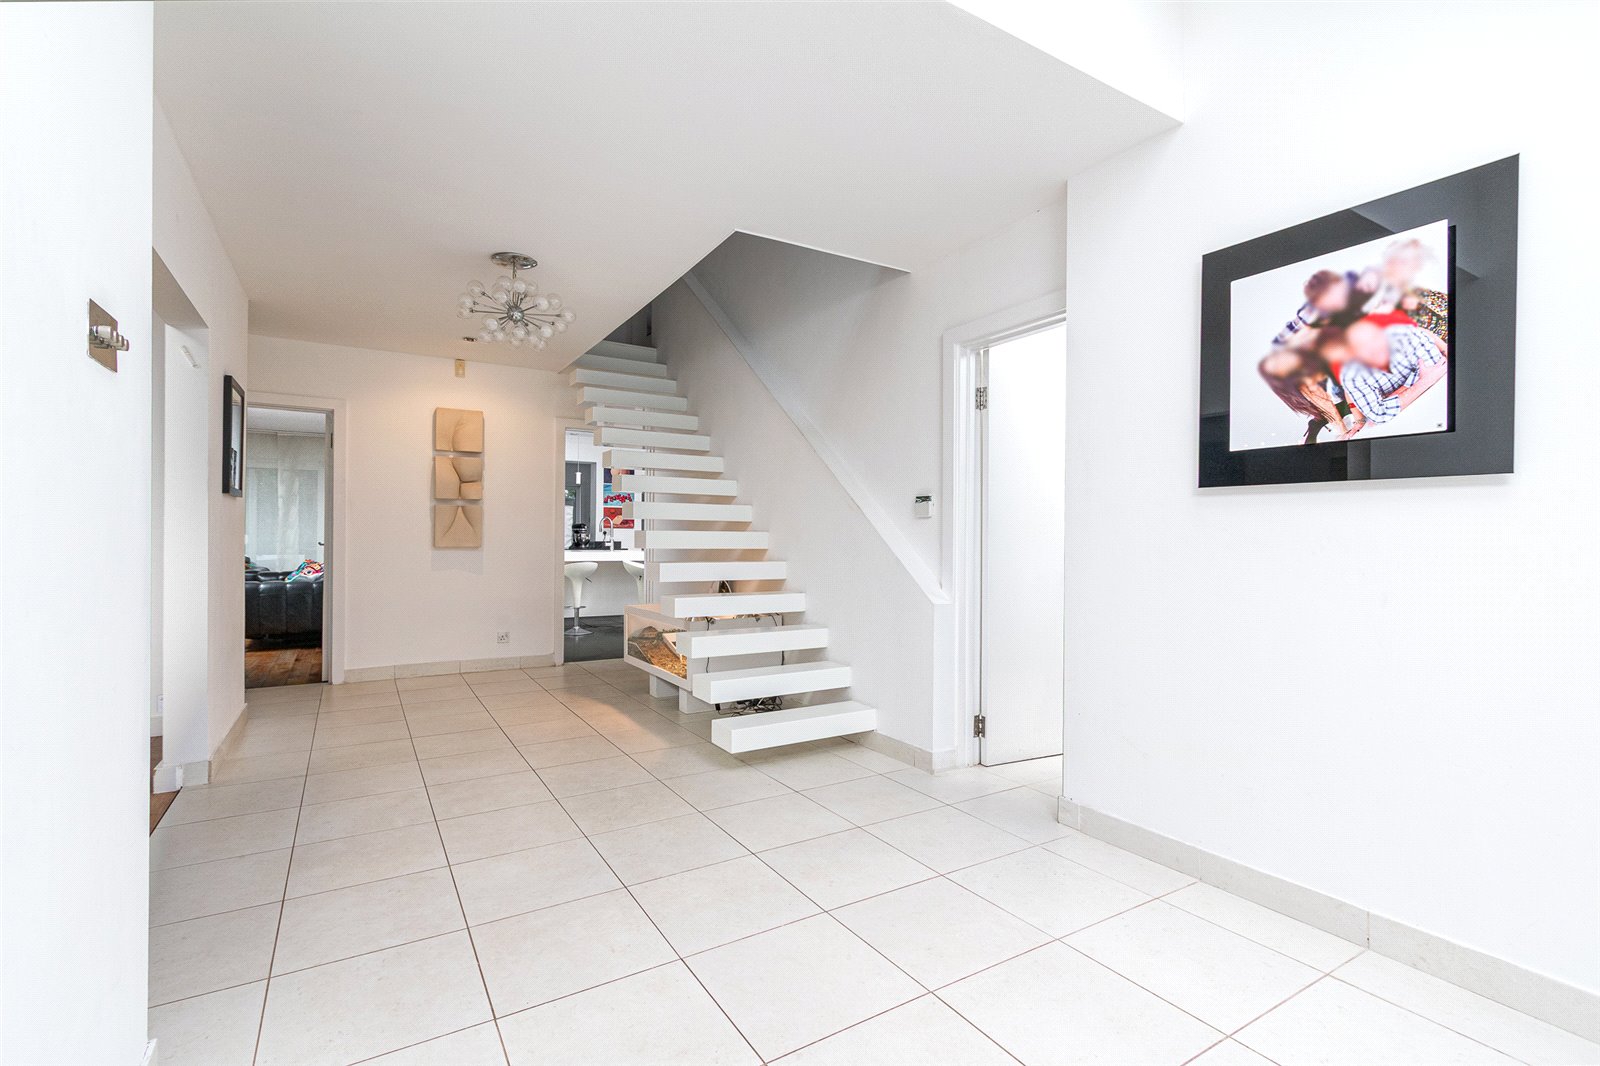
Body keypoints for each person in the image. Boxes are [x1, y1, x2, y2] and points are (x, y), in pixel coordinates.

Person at [1318, 319, 1447, 429]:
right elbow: (1377, 413)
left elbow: (1435, 364)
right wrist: (1423, 381)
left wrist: (1392, 400)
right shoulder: (1349, 374)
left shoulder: (1401, 333)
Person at [1257, 348, 1353, 444]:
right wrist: (1343, 431)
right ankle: (1317, 424)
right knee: (1343, 400)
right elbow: (1325, 404)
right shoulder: (1303, 380)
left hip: (1334, 365)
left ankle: (1317, 424)